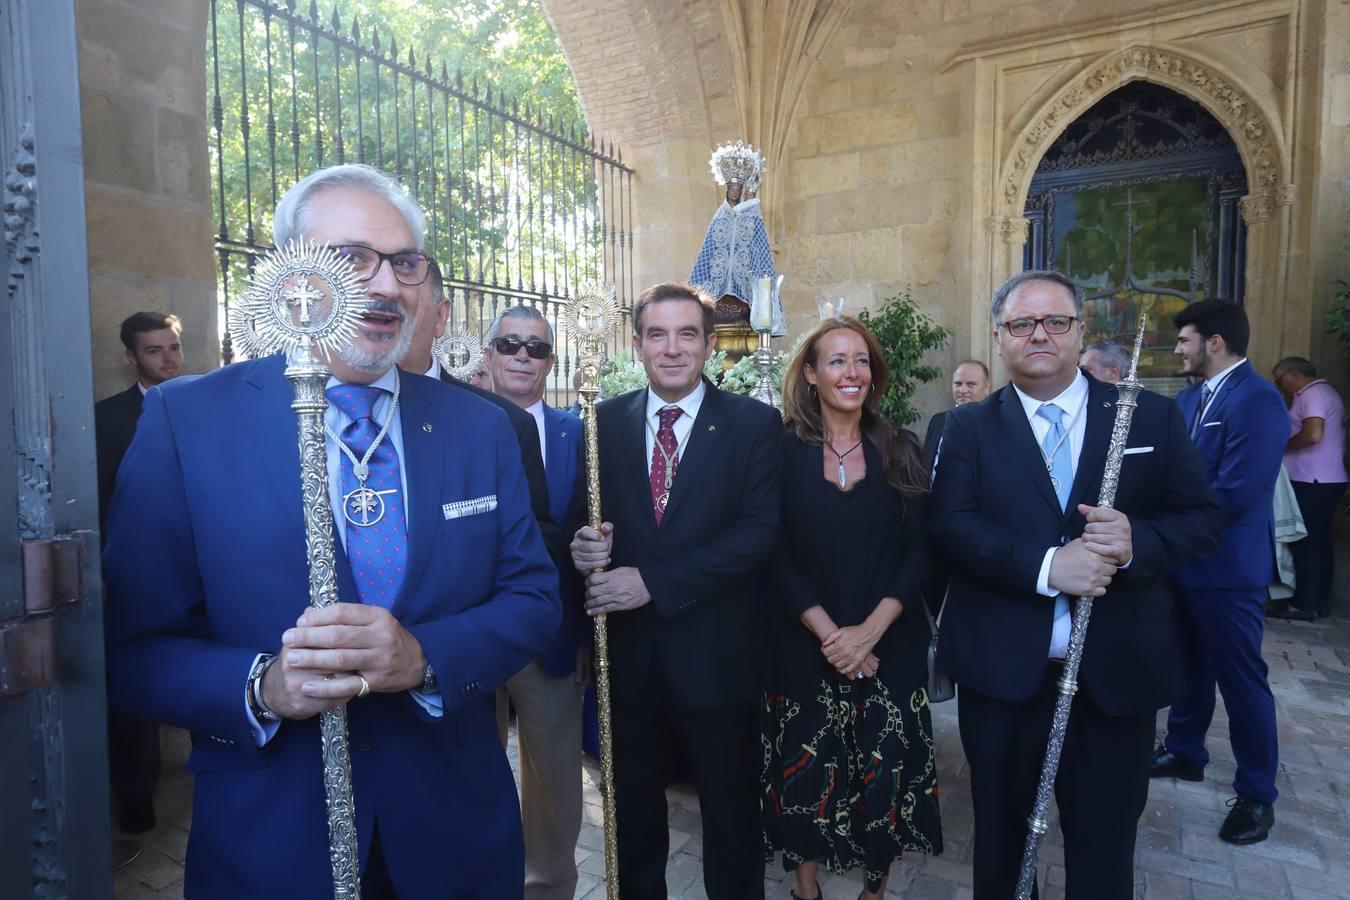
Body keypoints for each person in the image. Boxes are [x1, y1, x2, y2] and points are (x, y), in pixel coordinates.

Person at [103, 163, 560, 898]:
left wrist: (423, 657)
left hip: (452, 835)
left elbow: (534, 599)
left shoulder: (478, 428)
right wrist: (261, 688)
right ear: (291, 277)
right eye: (352, 258)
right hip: (273, 842)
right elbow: (130, 648)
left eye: (405, 262)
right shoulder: (189, 423)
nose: (385, 285)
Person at [931, 270, 1223, 899]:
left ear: (1080, 329)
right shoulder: (968, 428)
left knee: (1105, 844)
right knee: (1003, 847)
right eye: (1021, 324)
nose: (1040, 334)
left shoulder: (1149, 417)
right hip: (1004, 673)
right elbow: (951, 527)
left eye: (1055, 321)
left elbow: (1201, 521)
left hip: (1116, 674)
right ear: (1001, 336)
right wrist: (1045, 567)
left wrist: (1136, 541)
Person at [570, 282, 782, 900]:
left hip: (717, 659)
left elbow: (758, 534)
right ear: (636, 344)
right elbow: (582, 520)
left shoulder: (752, 425)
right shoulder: (600, 423)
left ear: (710, 345)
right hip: (628, 662)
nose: (671, 349)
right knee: (632, 819)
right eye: (656, 335)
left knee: (732, 819)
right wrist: (582, 550)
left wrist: (652, 583)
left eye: (687, 334)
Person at [762, 316, 942, 900]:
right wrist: (833, 638)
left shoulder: (901, 447)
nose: (851, 372)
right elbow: (774, 552)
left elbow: (922, 553)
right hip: (801, 644)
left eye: (861, 360)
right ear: (810, 374)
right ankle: (806, 890)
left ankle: (874, 891)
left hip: (888, 645)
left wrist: (867, 633)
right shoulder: (780, 452)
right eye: (836, 360)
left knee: (882, 778)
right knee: (805, 778)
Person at [1152, 299, 1290, 847]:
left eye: (1184, 340)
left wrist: (1166, 525)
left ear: (1214, 342)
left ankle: (1257, 794)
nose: (1178, 349)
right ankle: (1186, 751)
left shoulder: (1258, 401)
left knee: (1241, 681)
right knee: (1188, 667)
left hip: (1228, 570)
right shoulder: (1188, 400)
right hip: (1184, 566)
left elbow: (1238, 490)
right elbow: (1173, 473)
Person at [482, 304, 588, 900]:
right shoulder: (457, 423)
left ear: (551, 362)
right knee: (473, 770)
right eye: (509, 344)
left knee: (553, 781)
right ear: (489, 353)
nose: (522, 355)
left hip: (549, 636)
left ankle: (548, 888)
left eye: (536, 348)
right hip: (469, 632)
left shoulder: (580, 434)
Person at [400, 258, 558, 558]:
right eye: (509, 345)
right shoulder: (323, 413)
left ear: (440, 315)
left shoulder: (505, 422)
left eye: (408, 301)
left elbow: (533, 551)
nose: (390, 312)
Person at [95, 310, 183, 836]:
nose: (168, 358)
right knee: (133, 686)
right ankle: (134, 795)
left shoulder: (209, 408)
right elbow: (102, 501)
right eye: (154, 351)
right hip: (135, 576)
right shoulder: (107, 419)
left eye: (172, 347)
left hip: (202, 567)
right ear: (131, 357)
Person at [1269, 356, 1346, 620]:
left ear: (1293, 374)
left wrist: (1282, 446)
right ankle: (1319, 601)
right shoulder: (1326, 392)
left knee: (1306, 543)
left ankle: (1304, 604)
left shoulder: (1312, 395)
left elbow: (1313, 434)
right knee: (1320, 543)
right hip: (1326, 478)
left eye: (1280, 380)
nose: (1280, 386)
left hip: (1313, 479)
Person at [689, 141, 787, 335]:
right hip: (719, 296)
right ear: (727, 189)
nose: (735, 191)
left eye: (738, 188)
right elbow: (708, 251)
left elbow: (759, 249)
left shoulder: (750, 217)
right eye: (732, 187)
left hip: (743, 291)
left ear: (742, 191)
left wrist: (752, 199)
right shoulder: (720, 218)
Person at [923, 359, 991, 474]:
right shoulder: (938, 421)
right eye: (958, 384)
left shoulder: (995, 423)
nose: (963, 390)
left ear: (986, 387)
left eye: (971, 384)